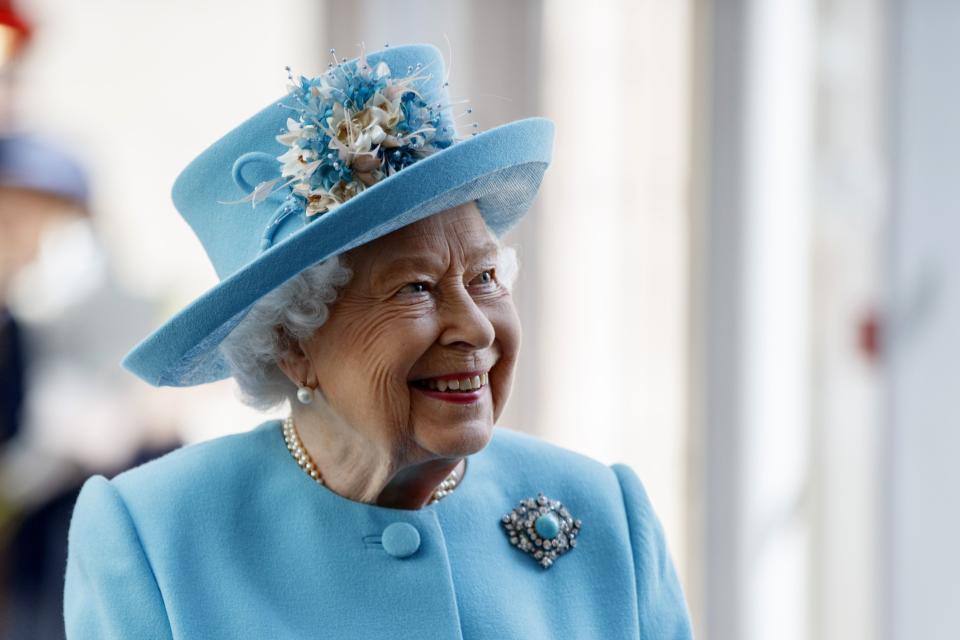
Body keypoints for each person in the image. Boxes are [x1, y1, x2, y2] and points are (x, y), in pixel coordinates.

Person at [63, 43, 693, 638]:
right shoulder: (153, 535)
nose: (475, 326)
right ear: (294, 344)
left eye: (486, 277)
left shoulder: (609, 514)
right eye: (416, 288)